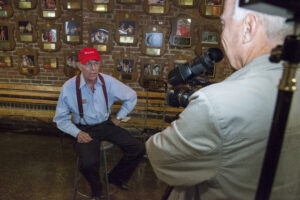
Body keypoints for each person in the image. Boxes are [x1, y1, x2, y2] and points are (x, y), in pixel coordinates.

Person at [146, 0, 300, 199]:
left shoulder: (215, 104)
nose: (222, 35)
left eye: (223, 24)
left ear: (248, 27)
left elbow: (162, 159)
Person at [54, 47, 145, 200]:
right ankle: (97, 189)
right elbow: (60, 119)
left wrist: (119, 117)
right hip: (84, 128)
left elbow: (131, 96)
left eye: (96, 63)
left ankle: (115, 177)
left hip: (105, 124)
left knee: (138, 148)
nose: (93, 68)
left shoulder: (107, 81)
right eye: (88, 64)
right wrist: (77, 133)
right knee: (89, 163)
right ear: (80, 66)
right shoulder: (69, 87)